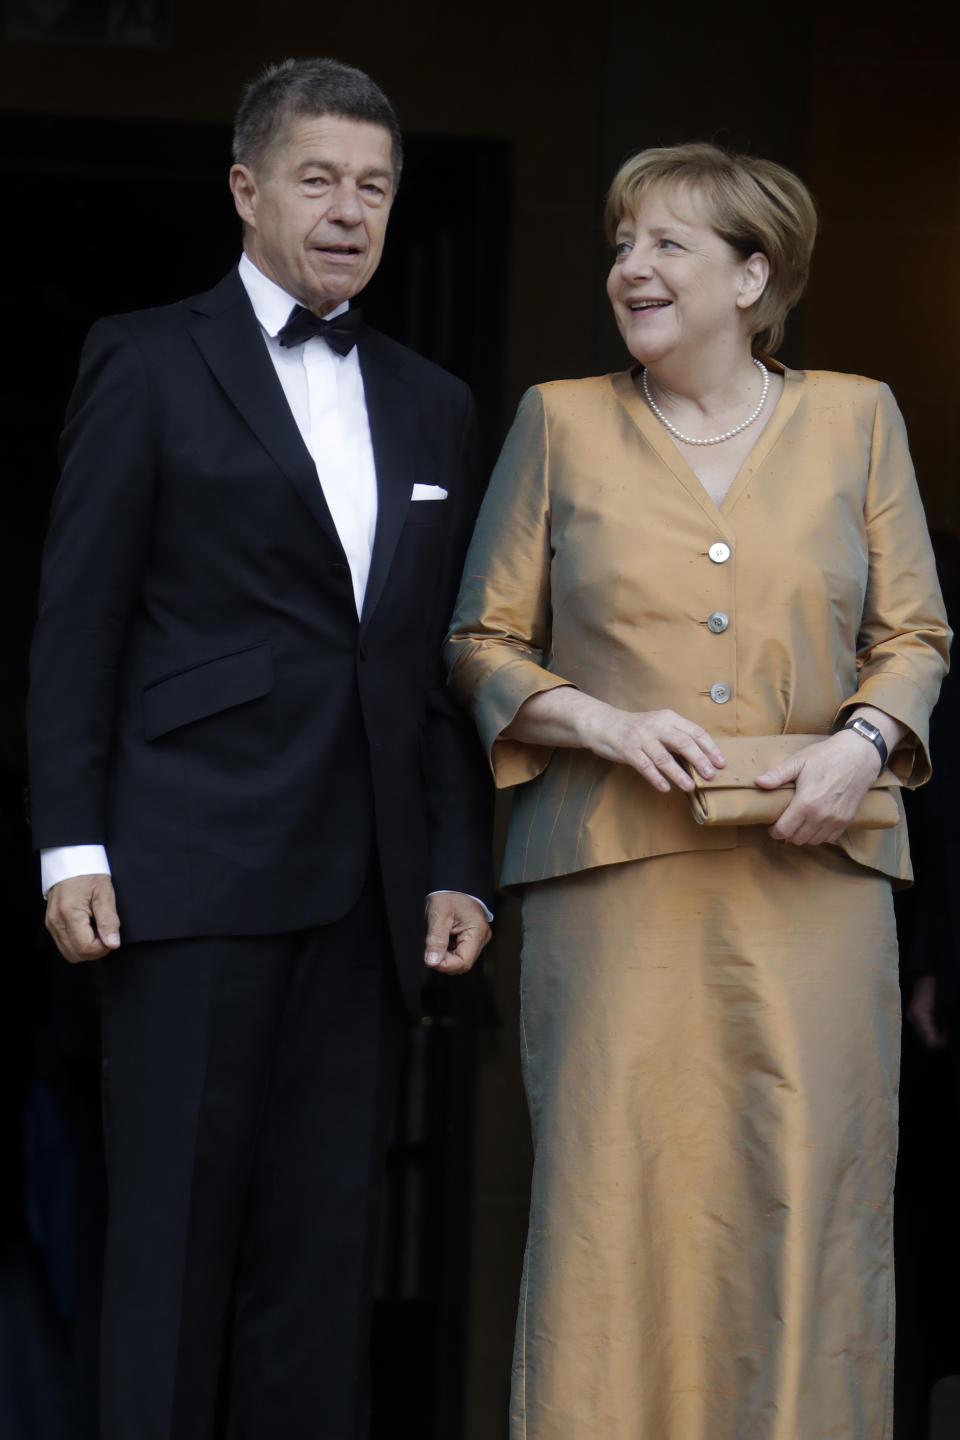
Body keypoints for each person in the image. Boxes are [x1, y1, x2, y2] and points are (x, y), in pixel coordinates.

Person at [445, 142, 949, 1438]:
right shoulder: (560, 420)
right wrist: (605, 724)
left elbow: (915, 637)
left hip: (819, 869)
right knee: (614, 1212)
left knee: (810, 1202)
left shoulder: (859, 417)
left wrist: (859, 747)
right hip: (615, 877)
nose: (631, 268)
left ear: (754, 274)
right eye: (621, 243)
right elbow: (480, 644)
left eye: (668, 244)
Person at [27, 57, 493, 1440]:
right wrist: (70, 844)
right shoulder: (146, 355)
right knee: (167, 1260)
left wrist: (457, 864)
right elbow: (76, 625)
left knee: (322, 1269)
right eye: (317, 179)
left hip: (360, 895)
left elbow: (424, 666)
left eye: (374, 186)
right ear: (245, 189)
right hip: (184, 872)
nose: (349, 210)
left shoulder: (435, 403)